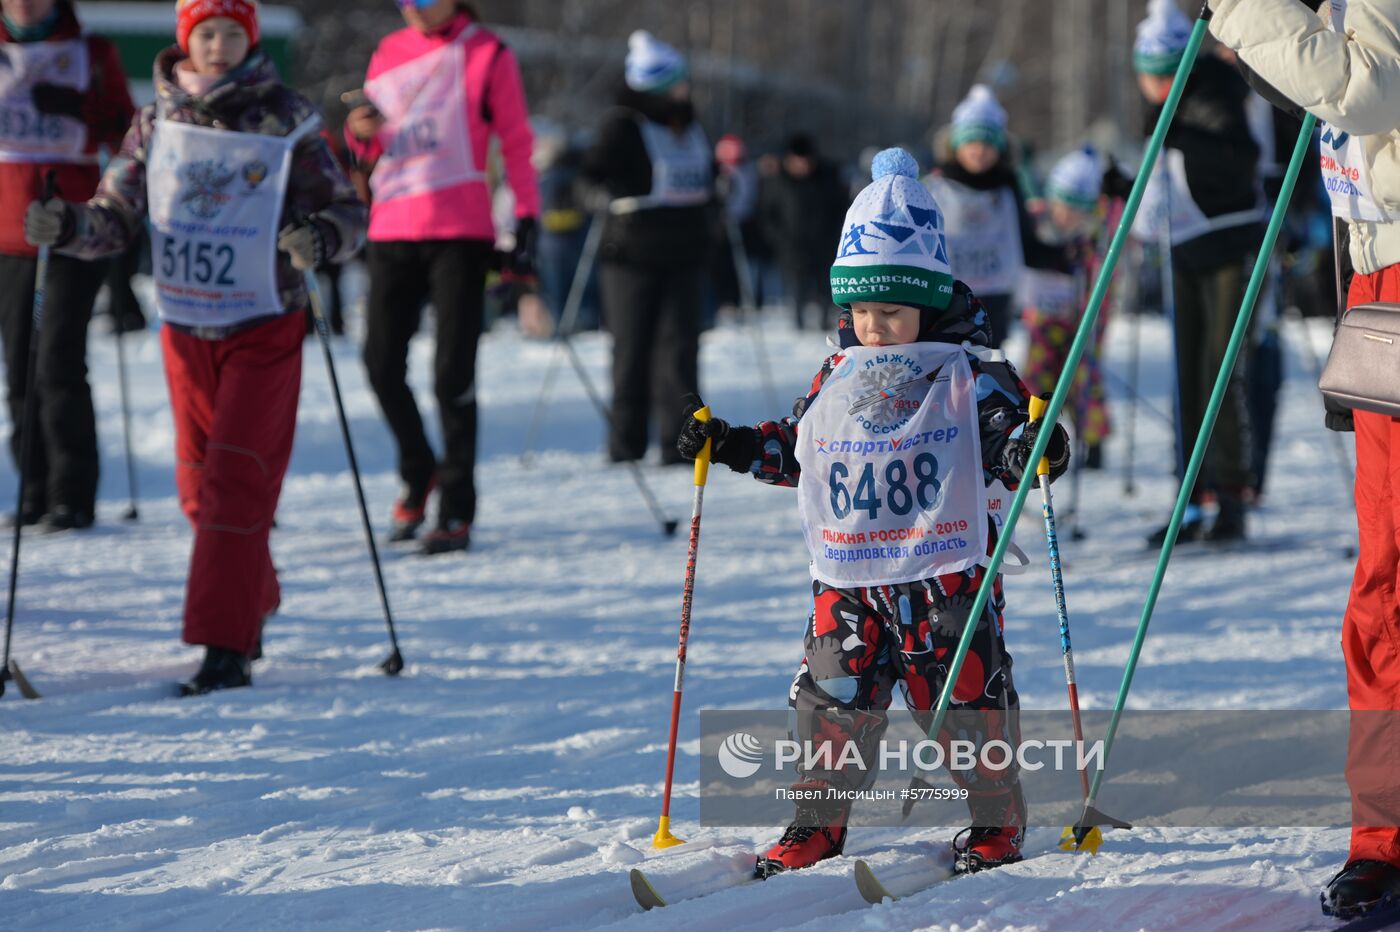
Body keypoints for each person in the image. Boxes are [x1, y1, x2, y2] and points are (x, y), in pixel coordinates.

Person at [675, 149, 1069, 878]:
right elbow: (804, 450)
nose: (874, 327)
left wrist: (1027, 448)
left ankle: (995, 813)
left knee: (959, 697)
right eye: (859, 311)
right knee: (830, 694)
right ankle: (816, 823)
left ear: (930, 298)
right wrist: (732, 445)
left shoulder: (969, 371)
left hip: (943, 575)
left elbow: (1015, 431)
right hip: (851, 571)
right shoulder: (840, 371)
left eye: (890, 311)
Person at [24, 0, 367, 694]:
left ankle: (223, 646)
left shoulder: (285, 116)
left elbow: (347, 209)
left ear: (250, 38)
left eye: (231, 33)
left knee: (237, 481)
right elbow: (116, 218)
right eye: (205, 33)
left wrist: (321, 238)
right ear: (185, 40)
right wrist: (65, 225)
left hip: (265, 324)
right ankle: (251, 598)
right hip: (186, 327)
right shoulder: (155, 121)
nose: (217, 46)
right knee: (197, 491)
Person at [1207, 0, 1400, 919]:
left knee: (1390, 584)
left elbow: (1368, 87)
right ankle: (1387, 834)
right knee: (1385, 585)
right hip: (1376, 291)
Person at [345, 0, 539, 554]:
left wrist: (525, 219)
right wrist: (359, 133)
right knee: (380, 363)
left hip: (460, 231)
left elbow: (517, 141)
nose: (415, 9)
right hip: (392, 226)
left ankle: (455, 507)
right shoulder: (388, 52)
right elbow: (370, 147)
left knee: (451, 376)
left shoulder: (487, 52)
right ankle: (419, 467)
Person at [1133, 0, 1263, 544]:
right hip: (1183, 246)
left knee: (1218, 370)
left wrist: (1180, 139)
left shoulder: (1213, 89)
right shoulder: (1165, 105)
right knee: (1186, 376)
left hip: (1228, 246)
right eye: (1149, 75)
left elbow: (1241, 158)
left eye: (1166, 73)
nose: (1156, 86)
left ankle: (1231, 495)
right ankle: (1189, 495)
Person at [0, 0, 134, 530]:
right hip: (8, 234)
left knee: (56, 358)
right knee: (18, 368)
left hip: (74, 230)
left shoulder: (92, 53)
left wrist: (80, 108)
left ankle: (71, 493)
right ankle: (31, 490)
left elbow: (127, 129)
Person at [581, 30, 712, 466]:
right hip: (631, 256)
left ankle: (681, 444)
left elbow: (704, 178)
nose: (685, 88)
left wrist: (722, 186)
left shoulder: (688, 125)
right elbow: (591, 173)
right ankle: (625, 445)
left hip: (683, 254)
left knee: (679, 353)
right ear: (654, 83)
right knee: (631, 351)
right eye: (677, 80)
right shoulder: (623, 124)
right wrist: (597, 192)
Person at [925, 85, 1071, 348]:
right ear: (956, 143)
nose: (979, 150)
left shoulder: (1008, 189)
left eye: (988, 142)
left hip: (994, 306)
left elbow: (1025, 244)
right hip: (946, 304)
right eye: (971, 141)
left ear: (1000, 147)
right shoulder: (936, 188)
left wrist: (1067, 255)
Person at [1019, 146, 1120, 466]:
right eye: (1062, 204)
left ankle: (1093, 440)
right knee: (1038, 375)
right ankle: (1033, 434)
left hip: (1083, 317)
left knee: (1083, 377)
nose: (1066, 215)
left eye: (1076, 209)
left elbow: (1105, 279)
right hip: (1044, 316)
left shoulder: (1094, 238)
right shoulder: (1040, 225)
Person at [759, 133, 848, 330]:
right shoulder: (779, 182)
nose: (802, 166)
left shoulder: (828, 178)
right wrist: (777, 238)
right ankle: (798, 323)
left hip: (824, 244)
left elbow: (840, 208)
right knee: (797, 286)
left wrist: (836, 235)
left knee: (825, 287)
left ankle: (825, 320)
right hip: (792, 245)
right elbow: (768, 213)